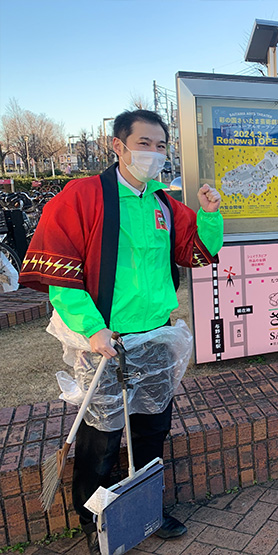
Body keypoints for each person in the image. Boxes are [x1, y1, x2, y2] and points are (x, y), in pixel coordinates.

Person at [20, 110, 223, 554]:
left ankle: (148, 507)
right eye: (144, 143)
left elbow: (199, 251)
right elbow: (62, 276)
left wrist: (209, 214)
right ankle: (97, 522)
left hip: (154, 339)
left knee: (152, 431)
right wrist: (93, 330)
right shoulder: (83, 196)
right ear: (119, 146)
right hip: (106, 343)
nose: (153, 154)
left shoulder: (163, 203)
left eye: (160, 145)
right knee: (103, 440)